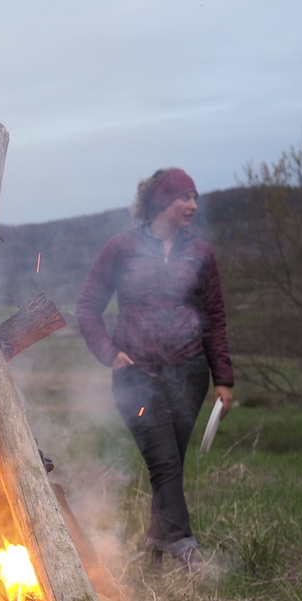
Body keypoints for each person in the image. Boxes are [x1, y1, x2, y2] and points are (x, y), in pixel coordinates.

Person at [76, 168, 234, 569]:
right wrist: (108, 352)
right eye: (185, 198)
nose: (193, 206)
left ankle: (153, 554)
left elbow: (214, 318)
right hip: (136, 378)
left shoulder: (201, 254)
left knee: (171, 467)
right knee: (164, 462)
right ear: (162, 202)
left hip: (190, 374)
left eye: (196, 198)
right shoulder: (121, 248)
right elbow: (87, 308)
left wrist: (223, 379)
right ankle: (184, 547)